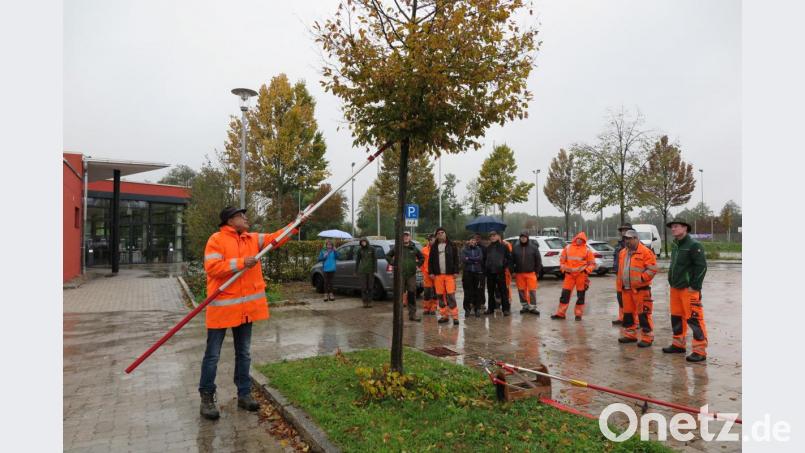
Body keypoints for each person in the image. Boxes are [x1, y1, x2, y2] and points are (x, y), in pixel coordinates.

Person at [199, 206, 300, 420]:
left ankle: (244, 394)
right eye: (241, 216)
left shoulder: (253, 239)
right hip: (222, 310)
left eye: (245, 215)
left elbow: (277, 237)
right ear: (229, 220)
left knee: (243, 353)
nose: (246, 218)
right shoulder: (216, 240)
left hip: (245, 311)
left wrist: (297, 223)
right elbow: (213, 268)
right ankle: (207, 398)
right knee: (212, 356)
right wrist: (240, 263)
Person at [663, 218, 708, 363]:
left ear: (685, 228)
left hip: (688, 290)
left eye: (676, 227)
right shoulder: (676, 245)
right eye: (672, 227)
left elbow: (702, 267)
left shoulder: (694, 245)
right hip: (675, 288)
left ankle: (699, 350)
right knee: (676, 316)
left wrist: (694, 286)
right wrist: (671, 280)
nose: (673, 229)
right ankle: (678, 344)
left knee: (694, 319)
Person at [616, 230, 659, 347]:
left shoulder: (646, 252)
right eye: (626, 239)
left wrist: (641, 279)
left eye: (629, 239)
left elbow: (653, 269)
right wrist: (620, 286)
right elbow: (620, 271)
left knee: (643, 315)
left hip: (641, 290)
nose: (627, 241)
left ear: (636, 238)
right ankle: (630, 335)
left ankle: (647, 338)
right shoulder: (622, 253)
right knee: (628, 315)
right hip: (626, 290)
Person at [551, 232, 595, 321]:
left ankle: (578, 314)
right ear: (575, 238)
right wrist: (563, 269)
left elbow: (592, 264)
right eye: (578, 238)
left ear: (584, 241)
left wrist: (586, 271)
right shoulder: (567, 248)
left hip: (581, 276)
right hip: (569, 276)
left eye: (581, 239)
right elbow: (562, 260)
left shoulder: (587, 250)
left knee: (580, 296)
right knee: (565, 295)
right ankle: (560, 314)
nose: (579, 240)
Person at [387, 231, 425, 321]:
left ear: (410, 237)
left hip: (411, 275)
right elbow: (388, 256)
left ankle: (412, 315)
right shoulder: (397, 248)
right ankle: (398, 317)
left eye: (407, 236)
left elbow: (422, 257)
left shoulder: (414, 248)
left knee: (412, 294)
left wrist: (417, 264)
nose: (405, 237)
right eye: (404, 236)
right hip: (400, 275)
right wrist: (394, 263)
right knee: (399, 295)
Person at [428, 227, 461, 325]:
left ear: (445, 234)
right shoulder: (433, 247)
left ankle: (455, 317)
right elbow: (430, 262)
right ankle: (444, 316)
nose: (441, 234)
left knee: (451, 295)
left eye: (442, 232)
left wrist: (456, 271)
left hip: (449, 275)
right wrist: (431, 273)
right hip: (438, 276)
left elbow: (456, 260)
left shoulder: (452, 245)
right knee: (440, 296)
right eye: (438, 233)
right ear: (436, 235)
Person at [511, 230, 542, 316]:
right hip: (519, 273)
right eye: (521, 237)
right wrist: (512, 271)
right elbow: (511, 261)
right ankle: (525, 306)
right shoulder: (515, 248)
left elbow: (538, 260)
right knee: (521, 290)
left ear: (527, 238)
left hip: (531, 273)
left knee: (532, 291)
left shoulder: (533, 248)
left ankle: (532, 307)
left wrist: (537, 271)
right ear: (519, 238)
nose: (523, 239)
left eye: (524, 237)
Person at [483, 230, 512, 316]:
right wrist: (486, 268)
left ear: (498, 236)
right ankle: (491, 309)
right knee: (490, 292)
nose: (492, 237)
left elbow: (509, 258)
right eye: (491, 236)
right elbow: (485, 259)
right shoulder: (488, 248)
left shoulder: (504, 247)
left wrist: (505, 266)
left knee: (503, 291)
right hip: (490, 273)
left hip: (500, 272)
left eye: (494, 235)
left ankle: (506, 309)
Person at [611, 223, 634, 325]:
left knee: (631, 300)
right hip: (619, 276)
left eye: (626, 230)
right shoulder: (618, 245)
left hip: (630, 277)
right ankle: (622, 318)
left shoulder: (635, 244)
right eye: (622, 230)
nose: (624, 232)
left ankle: (635, 321)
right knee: (620, 298)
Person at [461, 233, 486, 317]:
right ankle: (467, 309)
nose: (473, 241)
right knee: (467, 292)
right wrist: (474, 260)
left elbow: (480, 259)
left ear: (476, 241)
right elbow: (464, 259)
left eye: (474, 240)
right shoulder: (464, 249)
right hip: (467, 273)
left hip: (477, 273)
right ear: (468, 241)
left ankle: (477, 309)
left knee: (477, 291)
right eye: (471, 240)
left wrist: (470, 259)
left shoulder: (479, 249)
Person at [354, 237, 377, 308]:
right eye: (362, 242)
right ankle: (364, 302)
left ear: (367, 242)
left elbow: (375, 260)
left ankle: (370, 302)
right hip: (362, 271)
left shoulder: (372, 249)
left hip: (370, 271)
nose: (363, 243)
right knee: (363, 287)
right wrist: (356, 271)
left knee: (370, 287)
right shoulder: (360, 250)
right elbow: (357, 261)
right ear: (360, 243)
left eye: (364, 241)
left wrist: (375, 269)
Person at [420, 234, 438, 315]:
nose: (432, 241)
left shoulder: (438, 249)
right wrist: (422, 269)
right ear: (428, 240)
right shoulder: (424, 250)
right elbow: (419, 260)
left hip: (436, 274)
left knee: (435, 291)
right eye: (430, 240)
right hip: (427, 274)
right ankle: (426, 308)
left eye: (433, 239)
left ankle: (433, 308)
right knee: (427, 292)